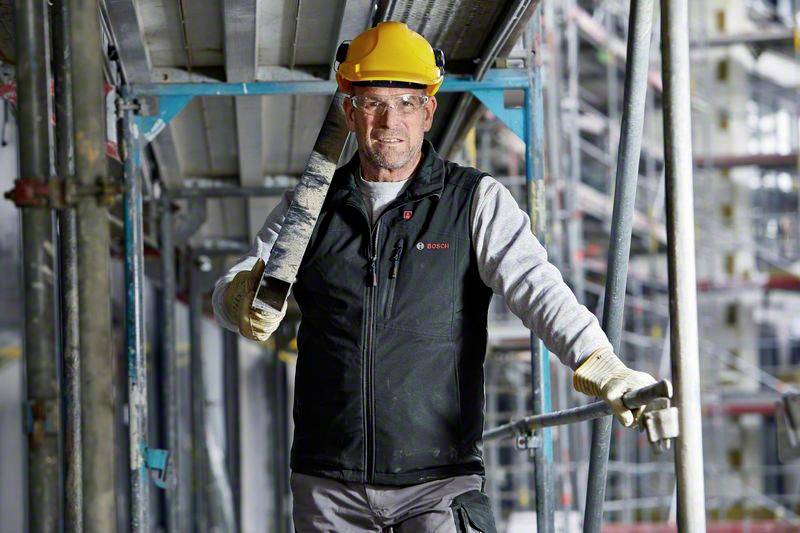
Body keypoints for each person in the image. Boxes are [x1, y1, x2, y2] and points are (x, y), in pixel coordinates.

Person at [212, 21, 656, 533]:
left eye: (406, 104)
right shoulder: (311, 207)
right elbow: (238, 281)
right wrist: (240, 298)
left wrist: (600, 363)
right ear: (350, 111)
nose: (390, 122)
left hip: (440, 486)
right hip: (328, 483)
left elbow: (538, 287)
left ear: (429, 112)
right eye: (375, 103)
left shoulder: (474, 201)